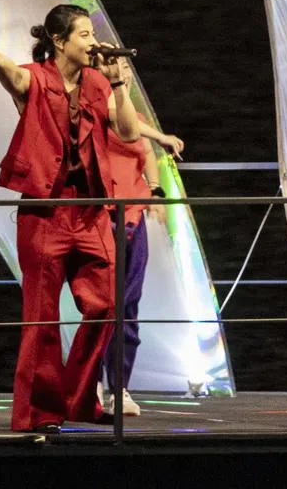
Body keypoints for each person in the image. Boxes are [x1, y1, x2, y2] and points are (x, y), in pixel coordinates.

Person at [0, 4, 140, 434]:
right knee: (41, 315)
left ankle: (79, 398)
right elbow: (2, 68)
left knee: (107, 303)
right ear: (59, 40)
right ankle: (38, 412)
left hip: (89, 210)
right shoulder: (35, 79)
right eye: (85, 35)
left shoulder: (97, 82)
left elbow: (128, 132)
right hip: (45, 212)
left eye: (92, 34)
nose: (93, 42)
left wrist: (118, 85)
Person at [98, 58, 185, 418]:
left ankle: (119, 386)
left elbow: (145, 152)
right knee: (101, 305)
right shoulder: (94, 106)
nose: (122, 74)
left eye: (126, 68)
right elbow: (129, 129)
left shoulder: (133, 114)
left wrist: (156, 191)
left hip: (133, 217)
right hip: (101, 216)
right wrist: (161, 136)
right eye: (114, 68)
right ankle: (93, 383)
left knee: (128, 305)